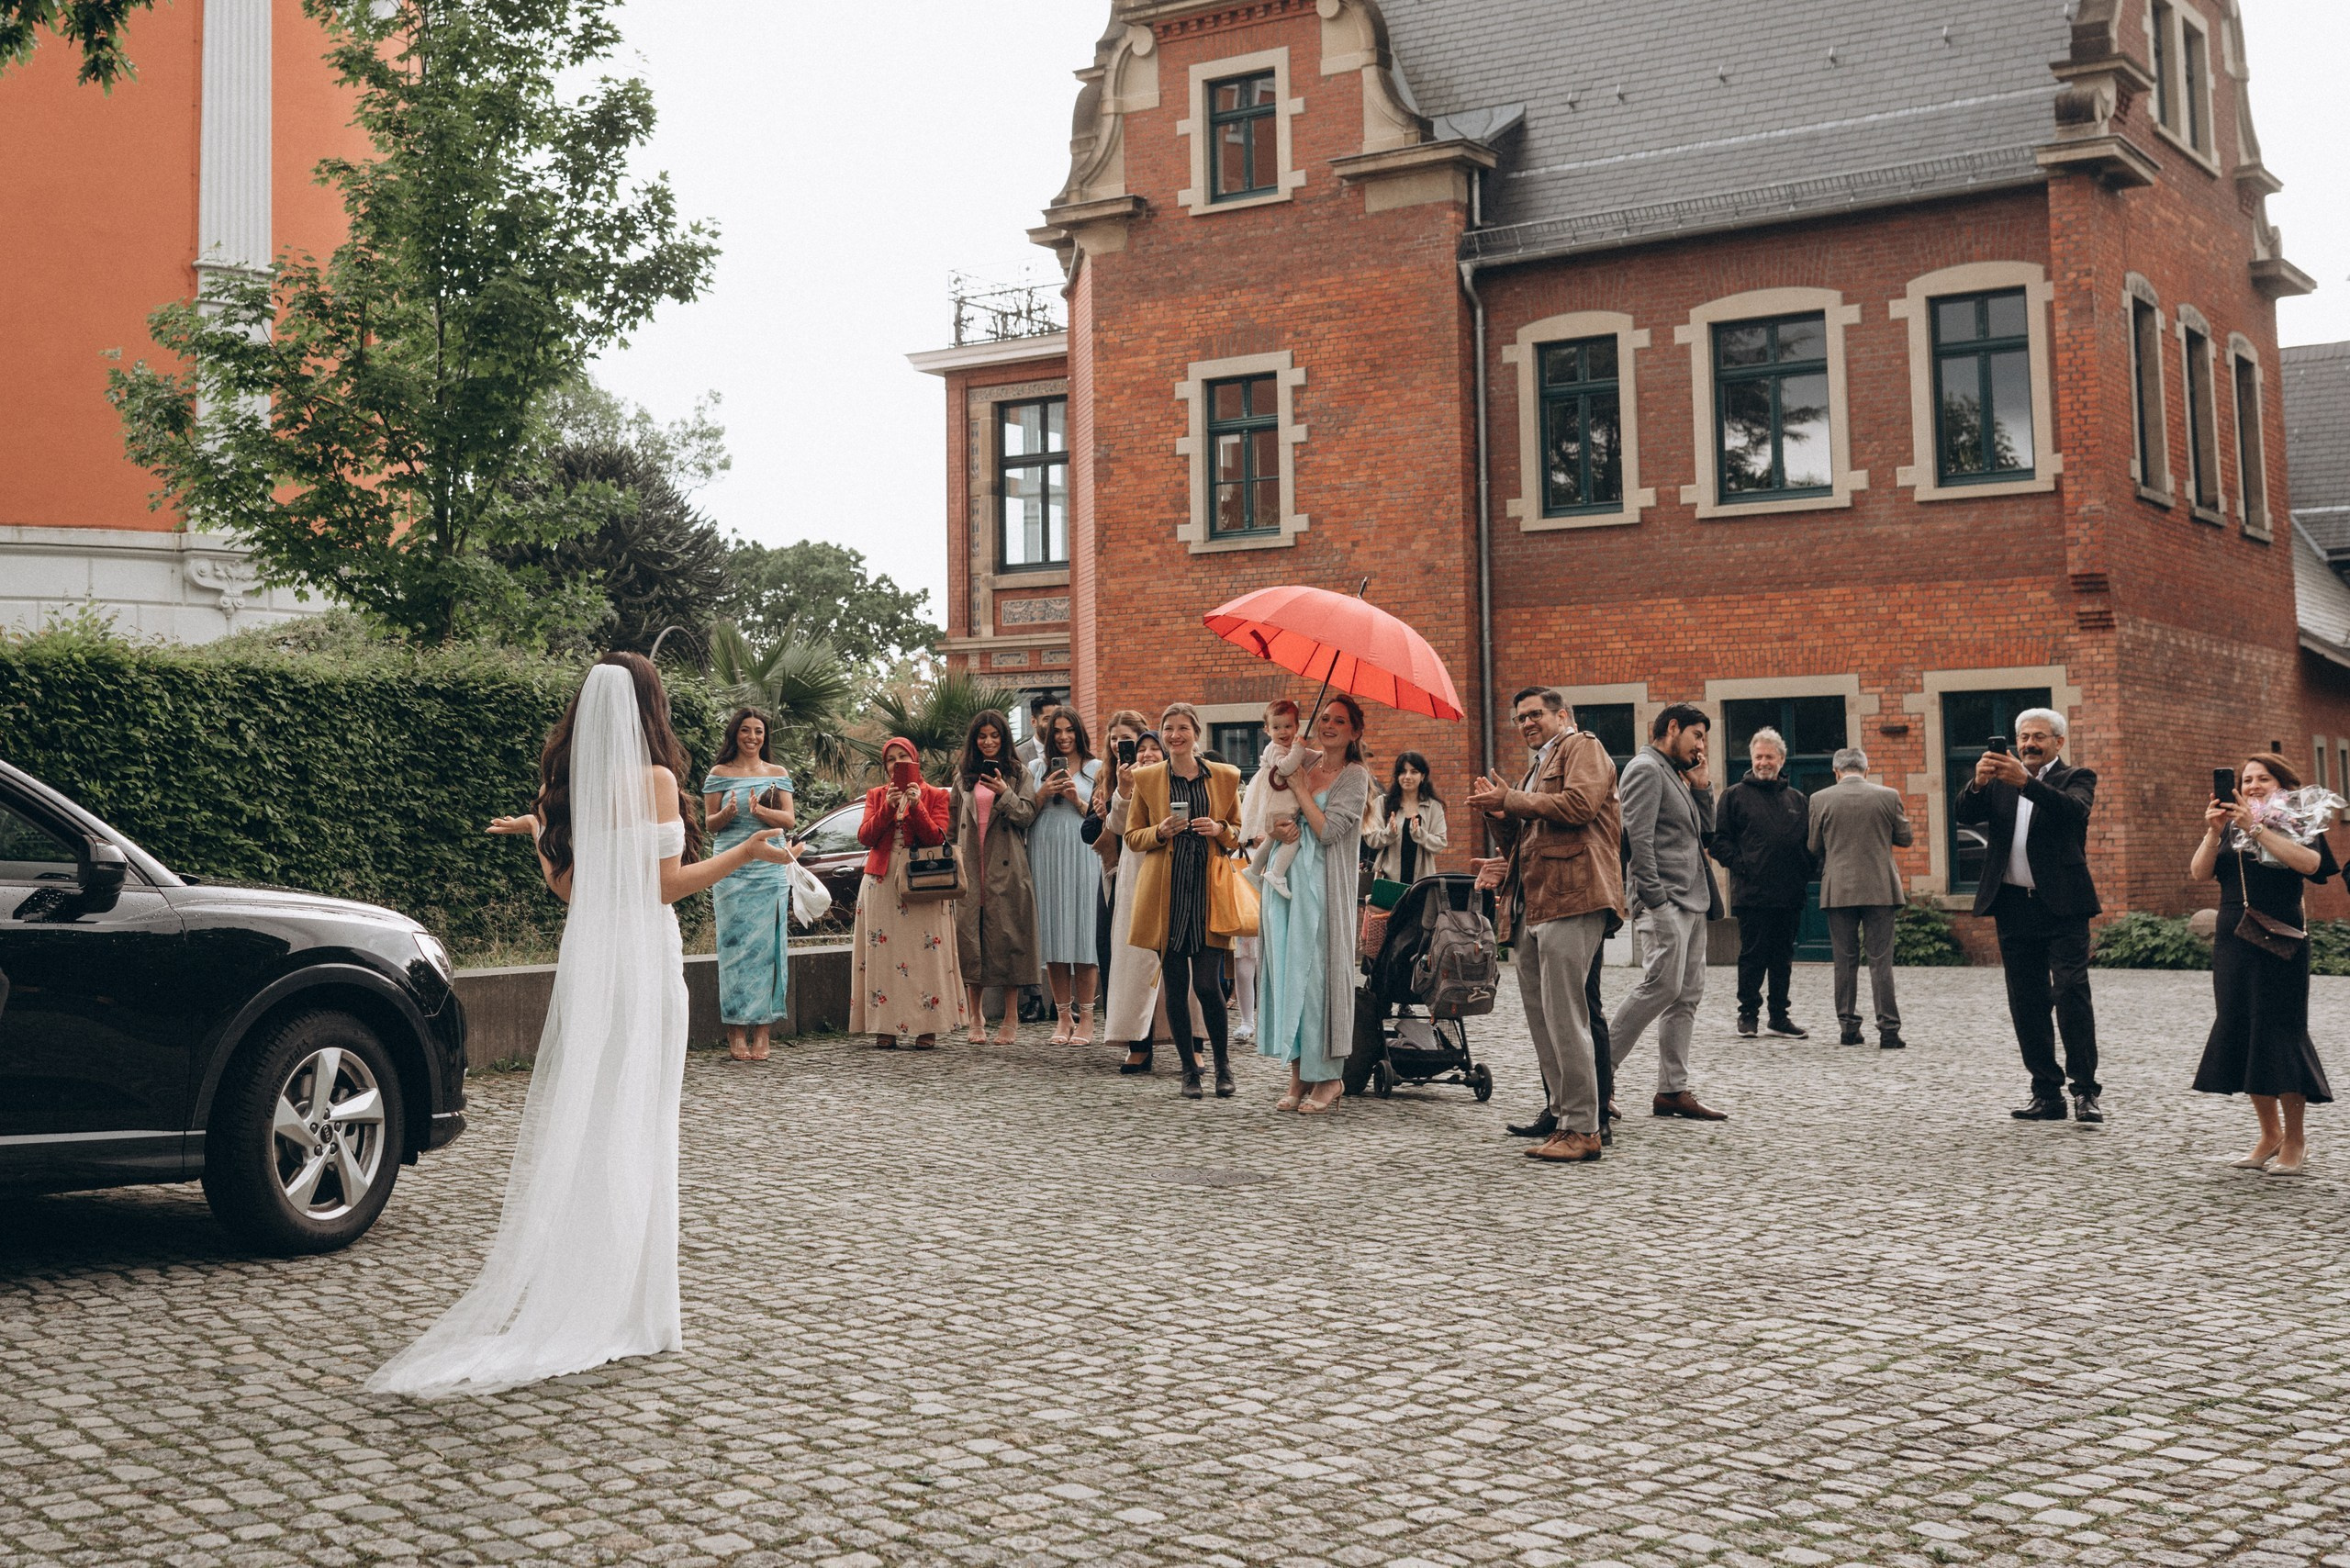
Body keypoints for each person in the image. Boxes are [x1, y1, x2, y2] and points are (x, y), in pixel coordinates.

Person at [369, 654, 791, 1396]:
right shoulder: (658, 782)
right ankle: (638, 1309)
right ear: (650, 707)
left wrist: (539, 828)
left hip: (592, 957)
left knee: (600, 1116)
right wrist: (747, 853)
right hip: (642, 955)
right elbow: (665, 886)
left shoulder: (563, 790)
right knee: (643, 1117)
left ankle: (609, 1292)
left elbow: (567, 888)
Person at [1468, 688, 1623, 1164]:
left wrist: (1512, 798)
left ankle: (1583, 1127)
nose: (1527, 723)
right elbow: (1527, 836)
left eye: (1535, 714)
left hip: (1573, 896)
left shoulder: (1584, 747)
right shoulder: (1537, 765)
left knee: (1567, 1015)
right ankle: (1562, 1117)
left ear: (1563, 715)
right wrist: (1500, 814)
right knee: (1544, 1019)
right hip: (1534, 902)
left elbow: (1579, 806)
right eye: (1520, 718)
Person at [2190, 753, 2337, 1173]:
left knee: (2281, 1032)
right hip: (2234, 937)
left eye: (2263, 779)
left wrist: (2254, 828)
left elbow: (2311, 865)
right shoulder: (2228, 826)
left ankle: (2295, 1139)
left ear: (2283, 784)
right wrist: (2213, 831)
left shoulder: (2298, 820)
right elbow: (2200, 873)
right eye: (2247, 779)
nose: (2253, 786)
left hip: (2280, 937)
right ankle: (2269, 1134)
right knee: (2242, 1029)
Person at [1954, 707, 2103, 1123]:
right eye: (2023, 737)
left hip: (2063, 904)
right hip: (2014, 904)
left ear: (2058, 742)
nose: (2029, 744)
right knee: (2026, 1001)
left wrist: (2027, 784)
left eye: (2039, 736)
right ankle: (2046, 1093)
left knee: (2071, 992)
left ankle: (2085, 1092)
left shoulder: (2077, 778)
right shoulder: (2000, 781)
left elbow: (2074, 812)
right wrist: (1979, 782)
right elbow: (1963, 814)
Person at [1610, 702, 1728, 1122]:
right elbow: (1636, 842)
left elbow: (1705, 835)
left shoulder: (1674, 773)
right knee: (1659, 987)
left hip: (1693, 899)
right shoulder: (1645, 768)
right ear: (1672, 727)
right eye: (1697, 736)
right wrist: (1656, 903)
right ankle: (1596, 1078)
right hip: (1666, 902)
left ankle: (1672, 1091)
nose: (1700, 747)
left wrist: (1701, 787)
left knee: (1687, 997)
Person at [1257, 696, 1373, 1114]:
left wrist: (1303, 792)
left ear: (1354, 732)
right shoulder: (1301, 761)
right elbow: (1271, 810)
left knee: (1318, 981)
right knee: (1289, 979)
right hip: (1285, 885)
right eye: (1324, 717)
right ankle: (1298, 1072)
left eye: (1339, 721)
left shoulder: (1354, 777)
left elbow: (1328, 832)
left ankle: (1329, 1077)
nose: (1328, 725)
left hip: (1322, 891)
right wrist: (1280, 826)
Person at [1124, 701, 1245, 1099]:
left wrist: (1219, 828)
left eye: (1183, 728)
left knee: (1209, 985)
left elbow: (1238, 833)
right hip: (1167, 893)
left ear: (1196, 733)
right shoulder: (1148, 779)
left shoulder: (1225, 777)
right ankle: (1189, 1071)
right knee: (1175, 986)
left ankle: (1223, 1067)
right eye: (1169, 729)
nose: (1176, 735)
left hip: (1207, 892)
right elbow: (1132, 837)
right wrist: (1159, 831)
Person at [1099, 727, 1208, 1070]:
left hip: (1182, 877)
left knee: (1186, 963)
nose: (1146, 754)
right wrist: (1124, 788)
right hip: (1138, 880)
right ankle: (1139, 1043)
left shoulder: (1184, 780)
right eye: (1141, 749)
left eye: (1153, 748)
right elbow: (1117, 826)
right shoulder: (1132, 784)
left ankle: (1194, 1044)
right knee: (1136, 962)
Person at [849, 736, 964, 1050]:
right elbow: (865, 837)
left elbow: (936, 838)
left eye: (903, 758)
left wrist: (916, 807)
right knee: (883, 955)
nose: (896, 764)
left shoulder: (936, 795)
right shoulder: (876, 795)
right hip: (882, 879)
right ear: (885, 765)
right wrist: (887, 808)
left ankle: (928, 1025)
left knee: (926, 954)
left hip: (924, 879)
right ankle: (884, 1025)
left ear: (916, 761)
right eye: (891, 759)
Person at [701, 709, 796, 1061]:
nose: (752, 737)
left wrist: (761, 813)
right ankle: (735, 1029)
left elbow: (788, 819)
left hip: (768, 869)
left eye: (758, 731)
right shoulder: (719, 774)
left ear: (765, 737)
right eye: (745, 730)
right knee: (734, 950)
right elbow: (710, 824)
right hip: (729, 870)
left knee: (769, 951)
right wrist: (728, 814)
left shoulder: (778, 774)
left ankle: (764, 1031)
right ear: (735, 734)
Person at [1709, 727, 1812, 1039]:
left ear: (1781, 760)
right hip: (1751, 894)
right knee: (1752, 956)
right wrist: (1743, 866)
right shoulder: (1734, 796)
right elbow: (1718, 842)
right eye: (1758, 756)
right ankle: (1748, 1015)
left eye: (1769, 756)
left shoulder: (1797, 800)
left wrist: (1805, 870)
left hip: (1789, 894)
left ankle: (1779, 1017)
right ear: (1751, 759)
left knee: (1782, 958)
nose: (1763, 762)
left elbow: (1810, 845)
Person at [1808, 745, 1913, 1050]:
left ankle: (1848, 1027)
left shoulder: (1820, 799)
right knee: (1881, 962)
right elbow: (1905, 838)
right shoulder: (1888, 795)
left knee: (1845, 961)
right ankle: (1889, 1029)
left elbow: (1813, 845)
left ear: (1836, 771)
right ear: (1867, 770)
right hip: (1880, 887)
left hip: (1838, 887)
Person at [954, 710, 1041, 1047]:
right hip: (972, 862)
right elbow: (951, 820)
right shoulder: (963, 776)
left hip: (1007, 865)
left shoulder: (1019, 773)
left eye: (994, 736)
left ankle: (1010, 1015)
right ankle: (975, 1015)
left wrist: (1004, 792)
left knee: (1009, 938)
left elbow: (1027, 815)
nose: (988, 742)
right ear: (974, 740)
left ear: (1004, 739)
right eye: (982, 736)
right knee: (970, 937)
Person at [1029, 705, 1103, 1045]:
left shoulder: (1097, 768)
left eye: (1068, 730)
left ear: (1079, 732)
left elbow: (1104, 817)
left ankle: (1087, 1017)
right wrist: (1044, 792)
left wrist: (1076, 799)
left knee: (1084, 932)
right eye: (1056, 731)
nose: (1062, 737)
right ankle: (1062, 1017)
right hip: (1045, 850)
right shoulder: (1035, 768)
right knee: (1055, 934)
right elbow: (1025, 812)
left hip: (1083, 851)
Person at [1240, 699, 1321, 898]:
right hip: (1276, 804)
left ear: (1296, 726)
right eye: (1277, 727)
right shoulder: (1275, 748)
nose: (1283, 732)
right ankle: (1276, 874)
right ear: (1267, 730)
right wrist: (1299, 748)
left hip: (1277, 803)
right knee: (1293, 837)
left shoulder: (1284, 748)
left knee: (1271, 839)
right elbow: (1285, 767)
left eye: (1288, 726)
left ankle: (1253, 870)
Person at [1364, 751, 1449, 887]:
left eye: (1414, 772)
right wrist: (1389, 834)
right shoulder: (1382, 803)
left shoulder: (1433, 806)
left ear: (1423, 776)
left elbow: (1440, 843)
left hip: (1422, 883)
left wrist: (1420, 835)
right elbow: (1371, 839)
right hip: (1388, 881)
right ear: (1397, 776)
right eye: (1403, 772)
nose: (1407, 777)